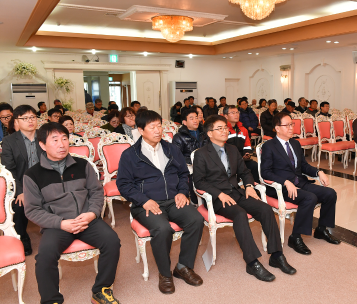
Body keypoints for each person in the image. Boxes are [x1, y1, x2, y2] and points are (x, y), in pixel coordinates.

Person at [23, 122, 121, 304]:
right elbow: (32, 210)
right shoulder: (32, 175)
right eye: (55, 140)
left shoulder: (82, 165)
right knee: (44, 256)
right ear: (42, 145)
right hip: (57, 224)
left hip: (87, 218)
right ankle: (51, 299)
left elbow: (96, 192)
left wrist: (92, 214)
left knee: (112, 241)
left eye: (65, 138)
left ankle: (101, 290)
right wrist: (60, 223)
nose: (62, 144)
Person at [193, 115, 296, 282]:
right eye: (220, 128)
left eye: (225, 127)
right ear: (209, 133)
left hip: (237, 193)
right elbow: (199, 181)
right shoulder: (201, 154)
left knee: (265, 209)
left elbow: (245, 172)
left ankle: (276, 255)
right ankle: (252, 262)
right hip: (218, 198)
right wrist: (219, 194)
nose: (225, 130)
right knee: (240, 214)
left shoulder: (233, 149)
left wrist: (248, 186)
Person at [117, 110, 204, 294]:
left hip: (174, 199)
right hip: (147, 203)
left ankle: (183, 267)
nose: (158, 130)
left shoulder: (171, 148)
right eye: (152, 127)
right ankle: (165, 274)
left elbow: (183, 173)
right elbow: (124, 185)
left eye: (159, 125)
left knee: (196, 220)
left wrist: (182, 192)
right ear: (140, 130)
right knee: (163, 229)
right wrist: (143, 200)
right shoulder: (130, 155)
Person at [261, 112, 340, 255]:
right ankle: (295, 237)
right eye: (287, 125)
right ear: (277, 128)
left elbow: (303, 166)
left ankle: (321, 229)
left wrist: (318, 172)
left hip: (300, 182)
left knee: (330, 193)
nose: (291, 128)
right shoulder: (269, 146)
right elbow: (265, 172)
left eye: (292, 124)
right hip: (282, 188)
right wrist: (284, 182)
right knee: (310, 198)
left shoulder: (295, 143)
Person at [1, 105, 42, 256]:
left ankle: (58, 231)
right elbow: (9, 170)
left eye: (32, 117)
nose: (30, 121)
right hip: (20, 183)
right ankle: (22, 236)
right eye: (25, 118)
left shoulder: (44, 136)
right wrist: (21, 191)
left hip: (44, 182)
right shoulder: (9, 141)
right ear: (16, 121)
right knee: (18, 206)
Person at [172, 108, 208, 204]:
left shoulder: (204, 134)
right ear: (184, 122)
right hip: (189, 165)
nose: (195, 120)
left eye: (196, 117)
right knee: (195, 174)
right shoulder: (178, 137)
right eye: (191, 118)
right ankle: (195, 199)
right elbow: (177, 156)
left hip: (205, 163)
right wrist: (194, 161)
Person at [224, 105, 260, 183]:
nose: (236, 115)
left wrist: (246, 153)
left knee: (254, 165)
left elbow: (247, 144)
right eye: (233, 113)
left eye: (237, 112)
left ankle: (255, 189)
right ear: (226, 116)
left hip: (241, 158)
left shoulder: (243, 129)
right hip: (228, 160)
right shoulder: (224, 130)